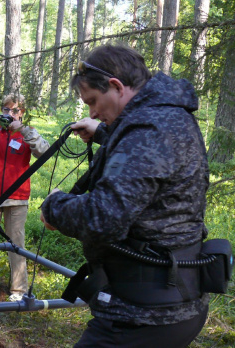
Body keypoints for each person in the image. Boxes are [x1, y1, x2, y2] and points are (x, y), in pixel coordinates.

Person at [40, 44, 209, 347]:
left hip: (142, 318)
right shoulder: (163, 116)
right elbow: (150, 163)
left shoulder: (148, 128)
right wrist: (104, 132)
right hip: (167, 305)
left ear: (116, 86)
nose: (92, 111)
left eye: (93, 101)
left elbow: (103, 217)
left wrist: (54, 206)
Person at [0, 94, 50, 302]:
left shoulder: (28, 132)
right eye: (6, 110)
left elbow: (45, 152)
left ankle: (18, 290)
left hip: (17, 197)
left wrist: (23, 131)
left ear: (22, 113)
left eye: (14, 110)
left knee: (16, 244)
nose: (9, 114)